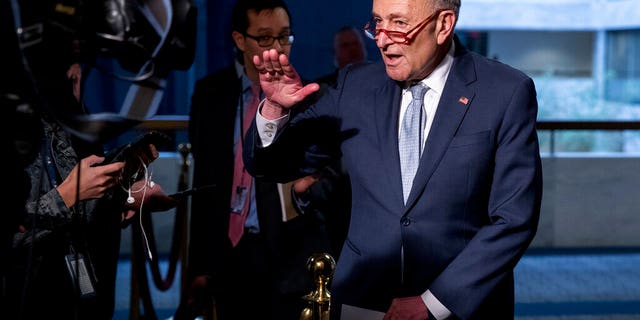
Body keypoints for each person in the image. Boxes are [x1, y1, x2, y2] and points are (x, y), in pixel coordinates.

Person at [244, 0, 543, 319]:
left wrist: (434, 302)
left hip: (457, 307)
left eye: (399, 24)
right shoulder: (354, 86)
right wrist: (275, 110)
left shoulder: (505, 92)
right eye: (377, 23)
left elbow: (513, 218)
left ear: (443, 25)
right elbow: (271, 165)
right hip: (364, 303)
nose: (383, 39)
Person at [182, 0, 332, 319]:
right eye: (264, 38)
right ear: (240, 40)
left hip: (288, 256)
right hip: (230, 252)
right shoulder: (210, 95)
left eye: (284, 37)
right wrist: (200, 266)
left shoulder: (312, 99)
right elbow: (205, 185)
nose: (276, 48)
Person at [315, 25, 369, 91]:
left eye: (355, 43)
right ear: (335, 52)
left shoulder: (379, 78)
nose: (352, 49)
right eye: (345, 45)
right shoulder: (323, 87)